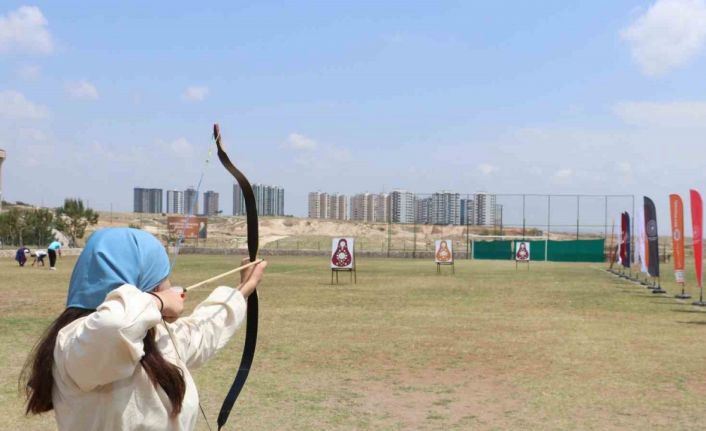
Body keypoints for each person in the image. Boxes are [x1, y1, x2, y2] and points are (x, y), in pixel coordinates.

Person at [21, 227, 267, 431]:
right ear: (141, 284)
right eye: (162, 276)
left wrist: (243, 289)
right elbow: (115, 324)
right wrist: (159, 301)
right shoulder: (76, 344)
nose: (169, 284)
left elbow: (200, 331)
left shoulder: (152, 336)